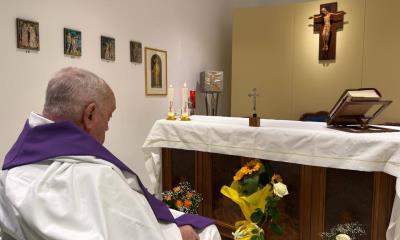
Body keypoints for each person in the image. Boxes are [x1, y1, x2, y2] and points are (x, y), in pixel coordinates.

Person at [0, 67, 220, 240]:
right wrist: (178, 236)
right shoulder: (98, 177)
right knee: (206, 231)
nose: (107, 128)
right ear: (90, 114)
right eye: (109, 117)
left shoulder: (11, 172)